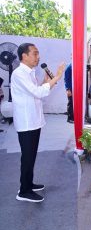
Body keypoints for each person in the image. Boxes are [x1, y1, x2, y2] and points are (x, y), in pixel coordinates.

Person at [12, 43, 64, 202]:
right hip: (26, 122)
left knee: (31, 155)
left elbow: (37, 93)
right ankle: (24, 191)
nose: (38, 57)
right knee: (27, 156)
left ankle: (28, 183)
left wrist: (45, 81)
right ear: (24, 56)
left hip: (34, 120)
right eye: (35, 54)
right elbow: (37, 92)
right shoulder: (19, 73)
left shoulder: (29, 73)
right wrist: (56, 77)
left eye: (38, 53)